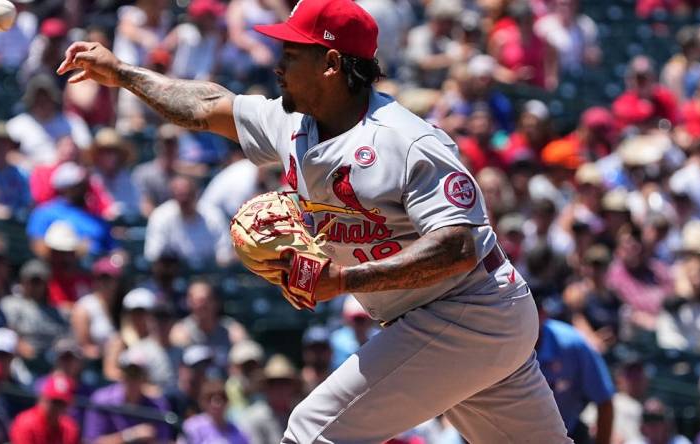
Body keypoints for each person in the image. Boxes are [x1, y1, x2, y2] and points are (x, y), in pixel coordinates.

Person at [56, 0, 571, 441]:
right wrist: (122, 72)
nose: (278, 65)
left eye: (290, 54)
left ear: (329, 63)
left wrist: (343, 279)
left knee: (312, 430)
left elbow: (458, 245)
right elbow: (207, 104)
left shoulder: (404, 140)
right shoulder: (292, 123)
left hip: (467, 308)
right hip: (453, 320)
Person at [535, 294, 615, 444]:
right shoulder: (498, 344)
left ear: (542, 314)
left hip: (566, 434)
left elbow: (604, 400)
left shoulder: (572, 343)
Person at [9, 373, 80, 444]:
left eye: (62, 403)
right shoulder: (26, 423)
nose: (57, 407)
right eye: (54, 402)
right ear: (42, 399)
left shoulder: (69, 428)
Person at [179, 378, 249, 444]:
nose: (216, 404)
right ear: (203, 402)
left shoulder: (237, 430)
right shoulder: (192, 427)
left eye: (221, 399)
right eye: (210, 399)